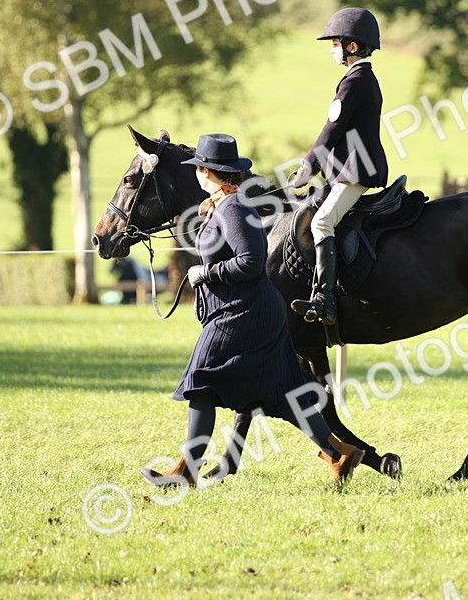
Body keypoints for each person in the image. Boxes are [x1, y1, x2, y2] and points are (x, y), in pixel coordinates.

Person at [140, 133, 364, 487]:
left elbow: (250, 261)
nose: (196, 173)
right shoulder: (224, 205)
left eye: (198, 167)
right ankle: (339, 453)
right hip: (251, 309)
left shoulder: (232, 208)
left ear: (207, 171)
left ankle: (186, 471)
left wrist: (205, 273)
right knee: (283, 392)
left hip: (242, 312)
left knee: (201, 381)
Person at [289, 7, 389, 326]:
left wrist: (308, 168)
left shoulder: (354, 82)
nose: (332, 50)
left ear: (352, 47)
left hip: (354, 171)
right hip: (349, 169)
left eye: (335, 44)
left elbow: (330, 130)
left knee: (321, 223)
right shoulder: (362, 79)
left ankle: (325, 299)